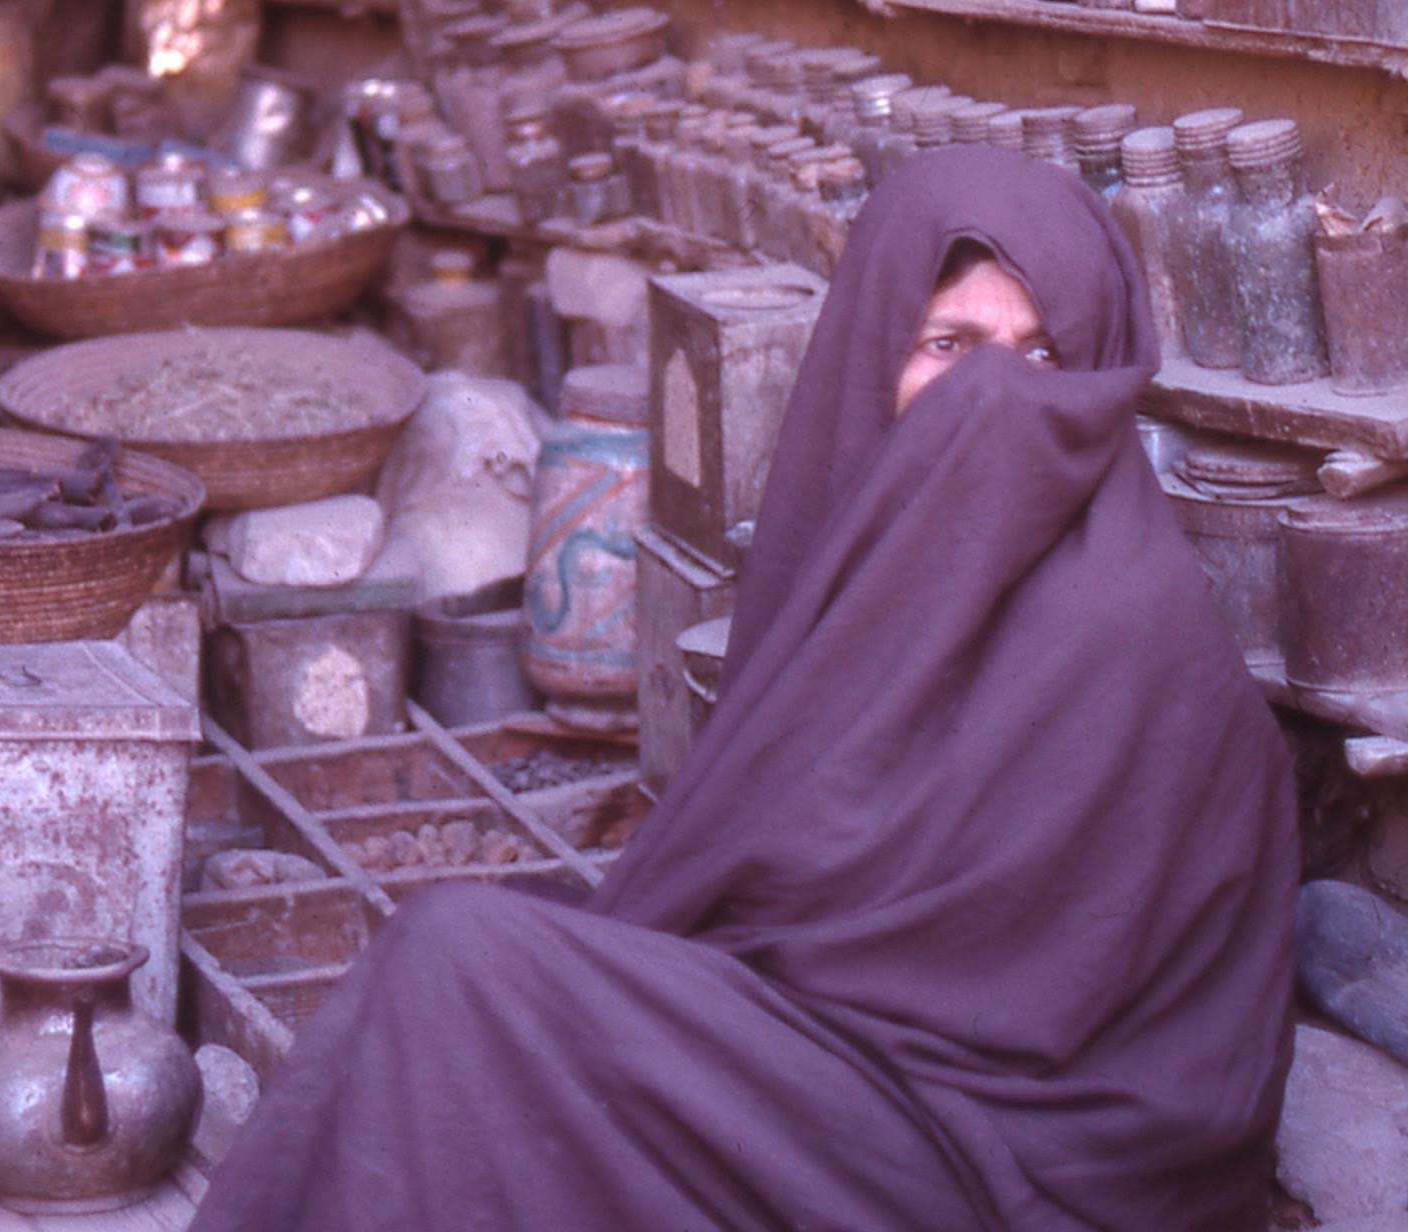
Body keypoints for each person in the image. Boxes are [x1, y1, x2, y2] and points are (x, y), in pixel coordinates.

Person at [187, 144, 1297, 1232]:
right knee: (472, 984)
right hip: (846, 1075)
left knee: (461, 971)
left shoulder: (1132, 631)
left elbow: (1042, 1012)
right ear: (869, 362)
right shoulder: (879, 573)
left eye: (1044, 357)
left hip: (1003, 1157)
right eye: (950, 344)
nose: (995, 396)